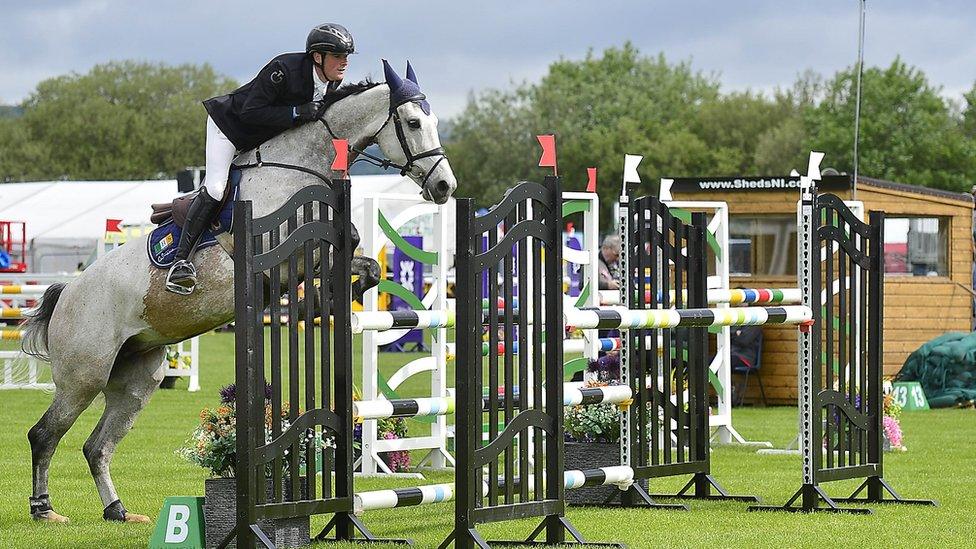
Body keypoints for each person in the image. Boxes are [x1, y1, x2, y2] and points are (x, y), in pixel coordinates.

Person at [166, 23, 355, 294]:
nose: (344, 63)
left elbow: (329, 126)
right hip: (229, 129)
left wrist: (341, 165)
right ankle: (180, 261)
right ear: (317, 57)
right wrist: (295, 112)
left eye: (346, 56)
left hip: (261, 140)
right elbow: (250, 112)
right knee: (217, 187)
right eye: (338, 56)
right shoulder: (283, 70)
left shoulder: (332, 81)